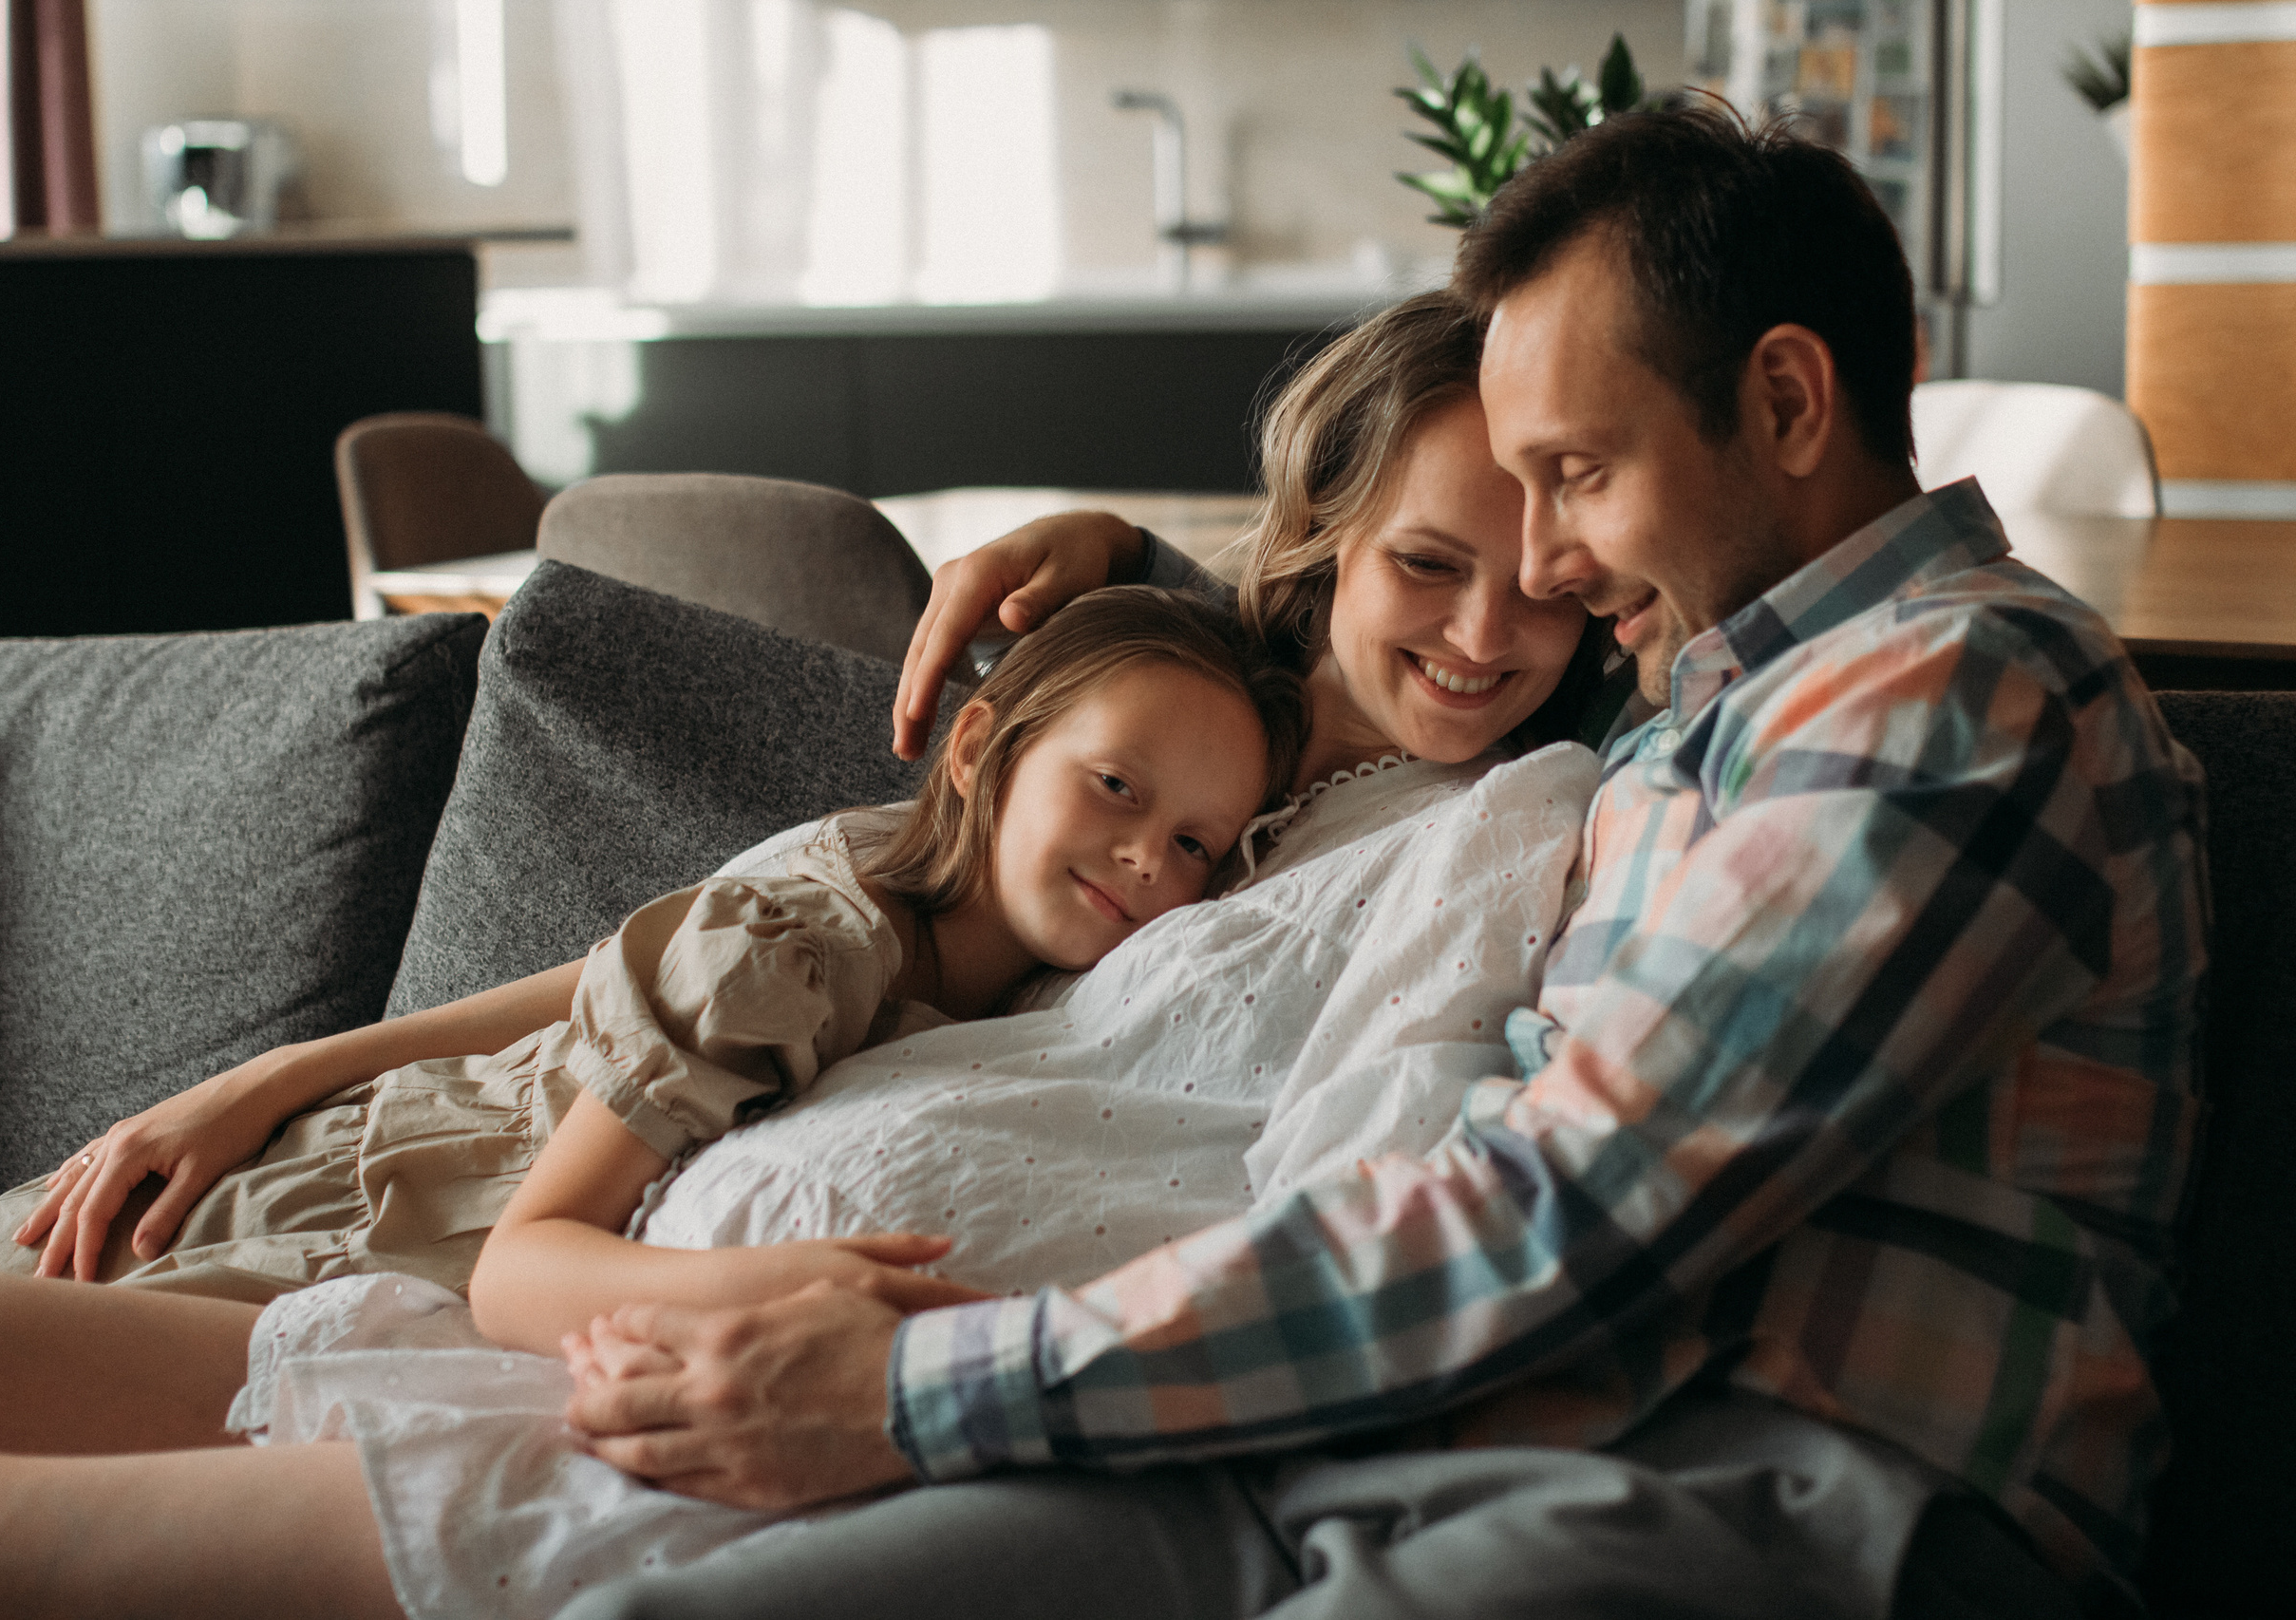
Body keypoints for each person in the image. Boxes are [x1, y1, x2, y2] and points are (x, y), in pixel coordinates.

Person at [524, 102, 2206, 1620]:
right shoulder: (1692, 702)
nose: (1540, 564)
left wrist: (913, 1387)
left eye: (1576, 475)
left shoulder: (1959, 692)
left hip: (1785, 1499)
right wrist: (1134, 569)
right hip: (1418, 1441)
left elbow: (1573, 1216)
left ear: (1783, 400)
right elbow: (1358, 664)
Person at [0, 292, 1610, 1616]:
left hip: (575, 1212)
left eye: (1547, 581)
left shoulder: (1351, 811)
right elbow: (699, 955)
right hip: (465, 1162)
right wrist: (269, 1073)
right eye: (1429, 565)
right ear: (1320, 545)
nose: (1484, 629)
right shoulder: (1118, 709)